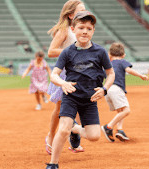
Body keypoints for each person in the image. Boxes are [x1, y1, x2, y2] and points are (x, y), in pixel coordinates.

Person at [46, 11, 115, 169]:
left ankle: (75, 129)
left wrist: (105, 89)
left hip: (90, 100)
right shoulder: (67, 52)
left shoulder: (100, 52)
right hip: (71, 96)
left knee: (94, 136)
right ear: (73, 29)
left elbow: (111, 74)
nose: (85, 31)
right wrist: (63, 84)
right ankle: (53, 164)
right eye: (81, 27)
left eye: (89, 28)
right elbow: (54, 75)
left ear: (93, 31)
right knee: (63, 129)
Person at [45, 0, 86, 155]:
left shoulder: (82, 29)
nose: (84, 12)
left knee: (79, 106)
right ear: (70, 14)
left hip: (80, 73)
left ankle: (74, 139)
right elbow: (51, 51)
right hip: (64, 74)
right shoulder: (65, 30)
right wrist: (71, 52)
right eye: (81, 10)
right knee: (59, 108)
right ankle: (50, 135)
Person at [101, 42, 148, 143]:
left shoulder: (108, 64)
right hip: (116, 89)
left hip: (107, 90)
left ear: (110, 54)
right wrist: (141, 75)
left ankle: (120, 130)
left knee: (120, 111)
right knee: (126, 111)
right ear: (123, 55)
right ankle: (108, 127)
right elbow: (129, 70)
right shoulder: (122, 62)